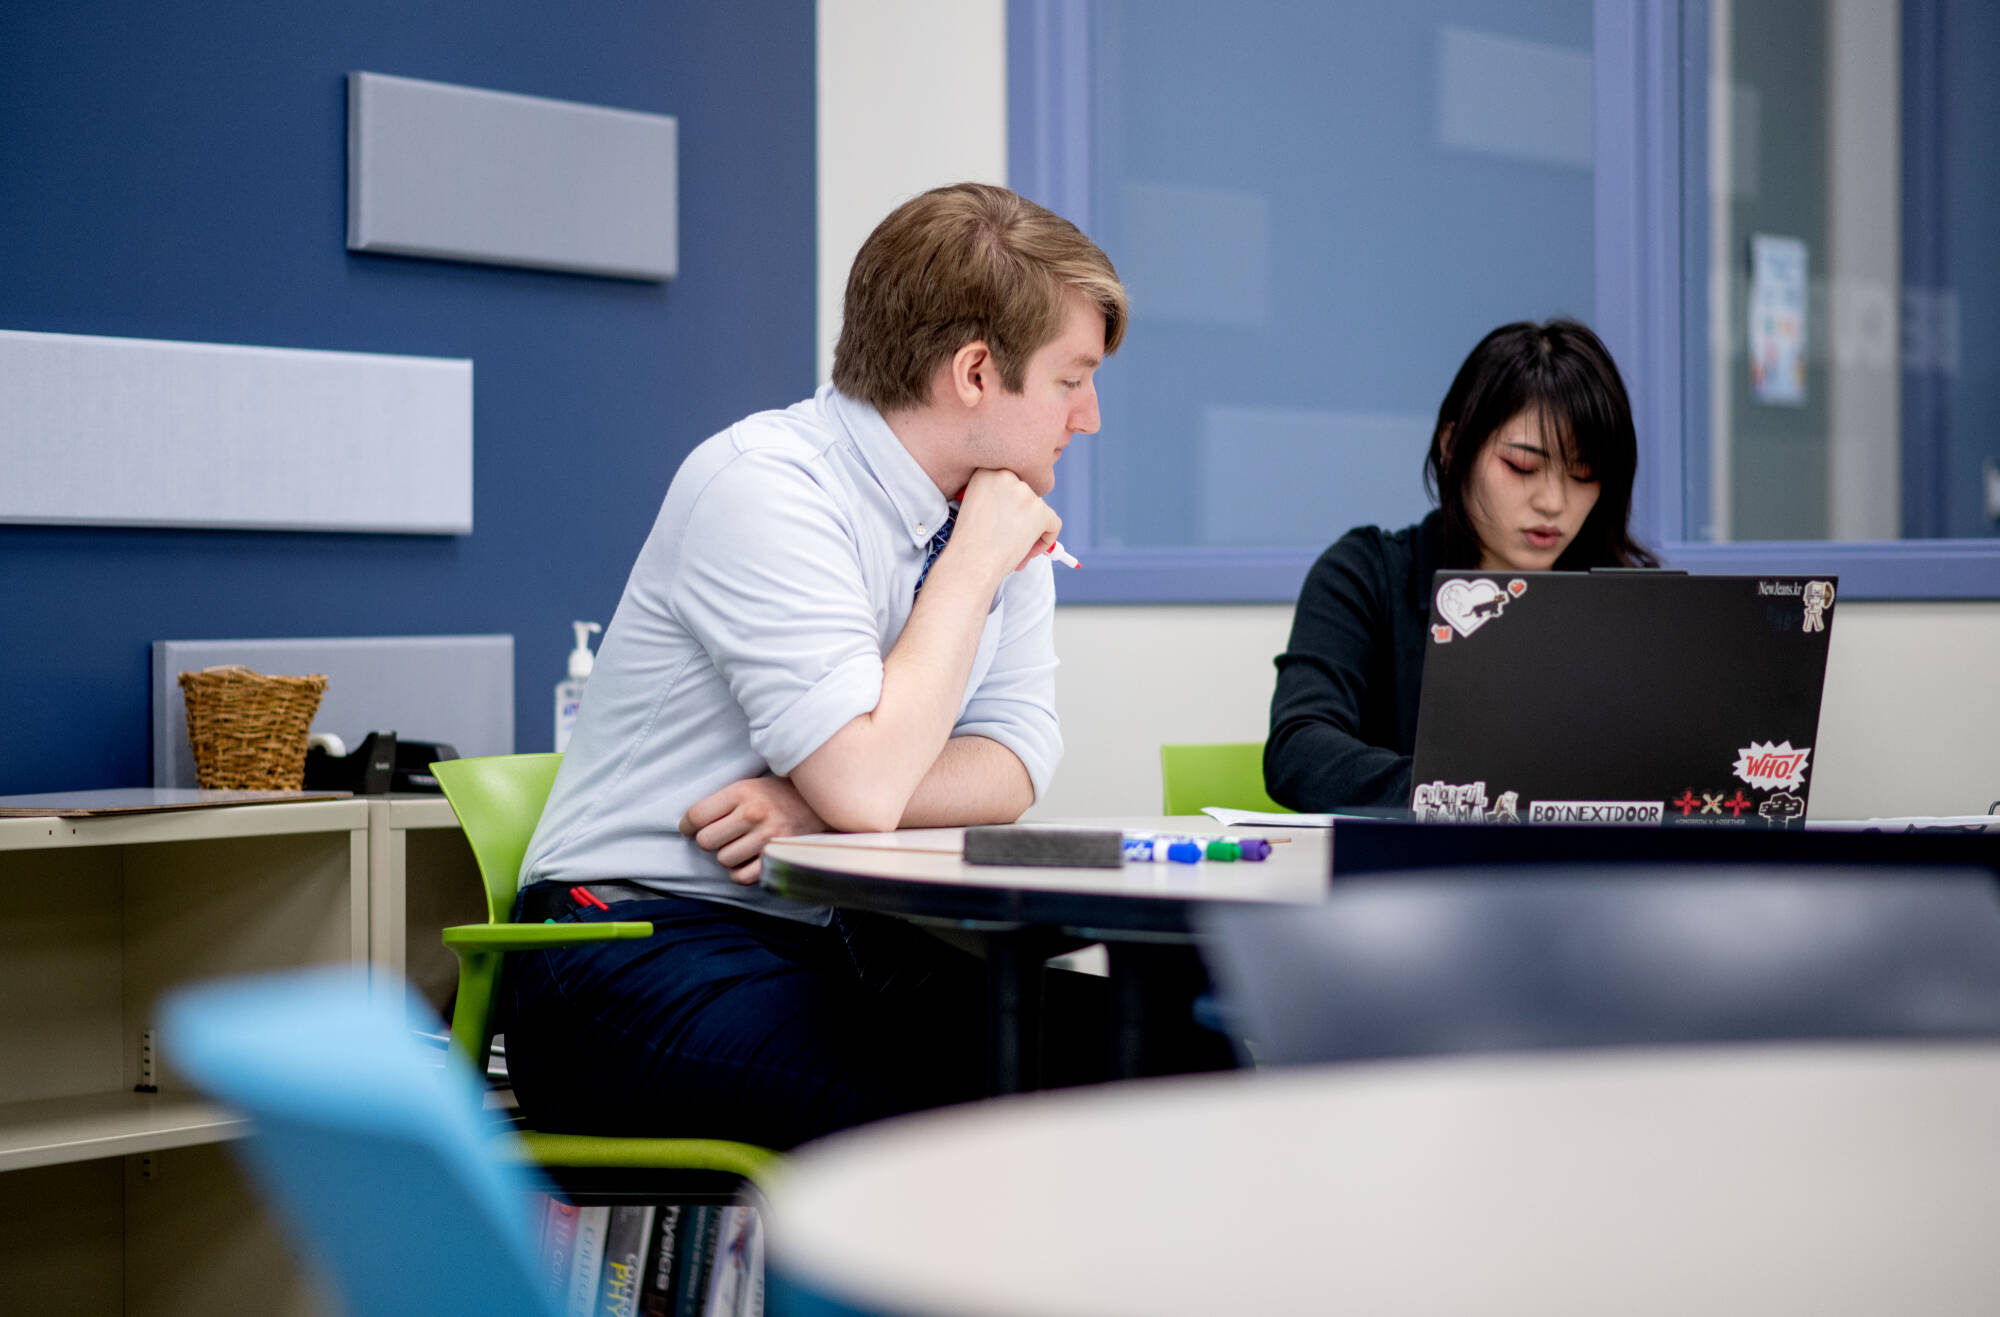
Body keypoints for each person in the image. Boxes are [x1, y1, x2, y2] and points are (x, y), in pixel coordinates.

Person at [501, 183, 1159, 1151]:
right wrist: (971, 566)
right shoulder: (762, 486)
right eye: (1070, 381)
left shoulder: (996, 506)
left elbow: (1013, 763)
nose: (1089, 417)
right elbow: (863, 783)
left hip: (825, 935)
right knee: (982, 1124)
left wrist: (819, 801)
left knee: (1180, 1067)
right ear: (975, 372)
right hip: (628, 947)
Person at [1266, 318, 1656, 811]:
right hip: (1409, 879)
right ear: (1452, 447)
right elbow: (1298, 750)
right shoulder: (1367, 575)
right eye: (1522, 466)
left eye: (1584, 473)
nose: (1553, 501)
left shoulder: (1629, 604)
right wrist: (1472, 797)